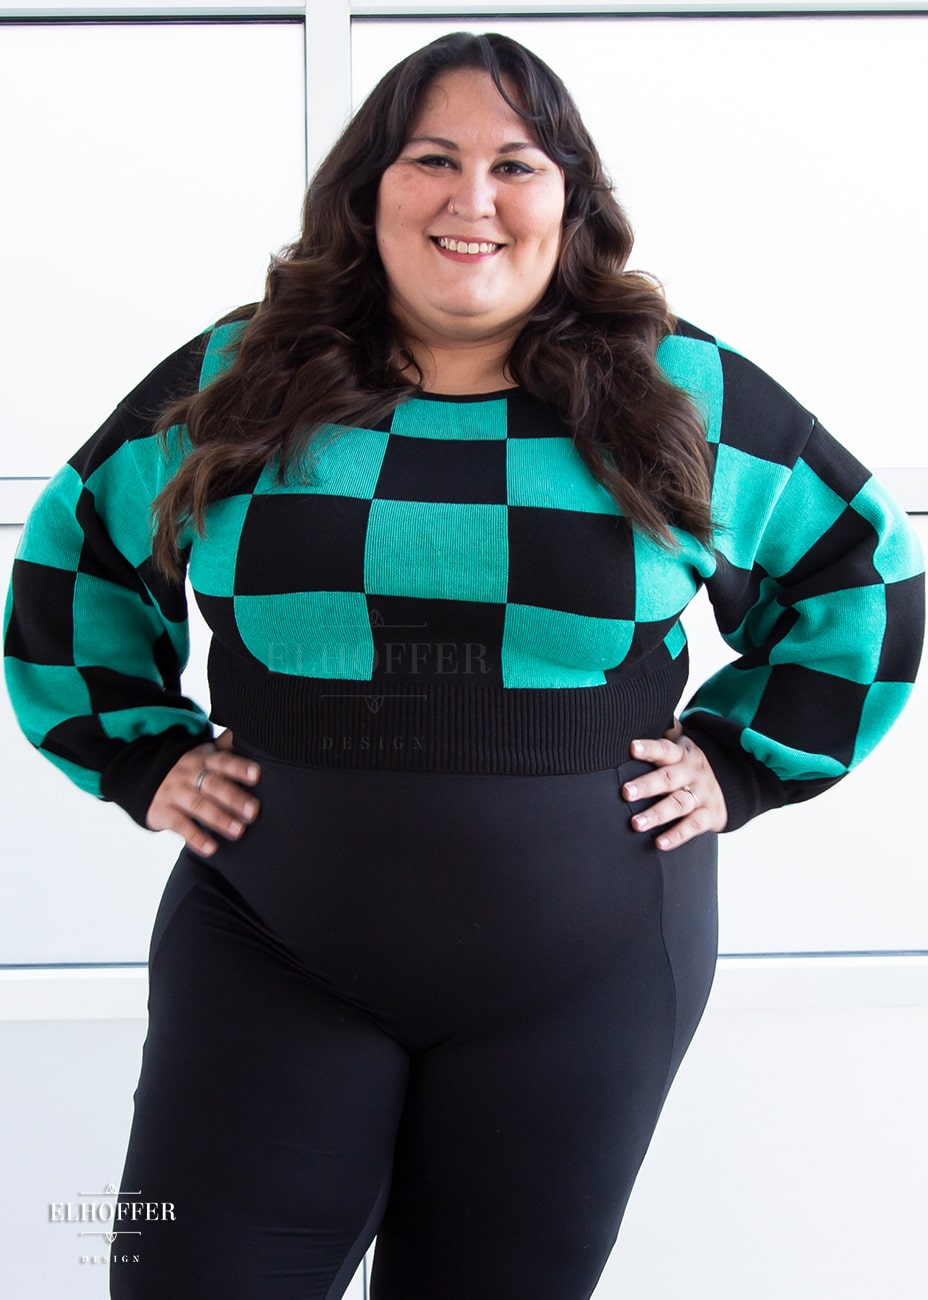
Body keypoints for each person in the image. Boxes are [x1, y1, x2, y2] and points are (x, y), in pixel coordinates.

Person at [3, 29, 924, 1300]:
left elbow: (859, 573)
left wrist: (738, 761)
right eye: (431, 158)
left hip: (585, 977)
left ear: (570, 199)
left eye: (516, 164)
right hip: (270, 946)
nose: (471, 199)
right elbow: (77, 558)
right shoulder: (239, 376)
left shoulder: (679, 388)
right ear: (368, 189)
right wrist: (139, 751)